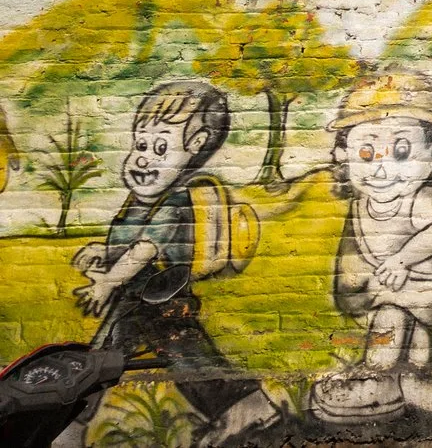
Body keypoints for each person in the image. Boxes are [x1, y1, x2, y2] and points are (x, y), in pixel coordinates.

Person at [71, 79, 281, 448]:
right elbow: (128, 245)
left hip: (161, 302)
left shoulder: (174, 202)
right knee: (121, 357)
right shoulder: (141, 197)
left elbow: (145, 251)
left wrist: (106, 282)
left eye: (160, 147)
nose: (142, 157)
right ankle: (73, 423)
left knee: (183, 359)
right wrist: (102, 254)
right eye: (140, 144)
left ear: (195, 146)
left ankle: (71, 425)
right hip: (137, 302)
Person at [314, 71, 432, 425]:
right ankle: (412, 381)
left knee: (391, 319)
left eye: (400, 152)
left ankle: (376, 377)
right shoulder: (361, 204)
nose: (382, 168)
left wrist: (402, 259)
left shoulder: (423, 199)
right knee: (413, 340)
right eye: (366, 153)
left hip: (422, 287)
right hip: (387, 286)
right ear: (343, 155)